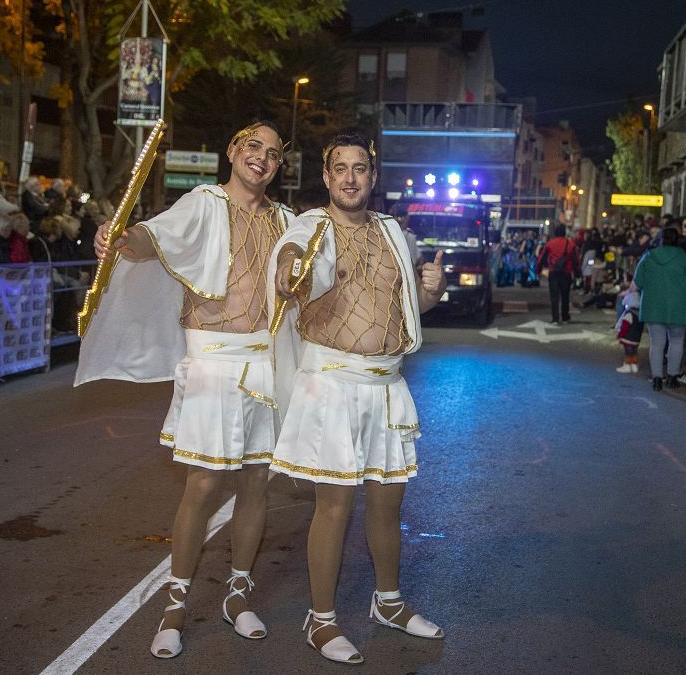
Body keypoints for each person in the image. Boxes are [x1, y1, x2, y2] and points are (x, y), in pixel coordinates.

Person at [77, 120, 294, 659]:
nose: (261, 159)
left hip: (265, 366)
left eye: (272, 153)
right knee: (202, 485)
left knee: (255, 484)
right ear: (232, 150)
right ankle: (175, 606)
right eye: (252, 147)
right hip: (213, 363)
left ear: (279, 167)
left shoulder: (288, 221)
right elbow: (154, 235)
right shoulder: (201, 203)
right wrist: (119, 237)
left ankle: (238, 597)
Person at [269, 130, 446, 666]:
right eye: (339, 168)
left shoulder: (395, 233)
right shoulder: (310, 228)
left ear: (373, 176)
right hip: (333, 384)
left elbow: (408, 309)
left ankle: (387, 603)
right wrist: (288, 269)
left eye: (360, 168)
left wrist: (432, 292)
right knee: (335, 505)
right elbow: (291, 265)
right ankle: (320, 620)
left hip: (388, 384)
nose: (350, 177)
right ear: (325, 177)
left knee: (389, 503)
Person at [633, 226, 686, 391]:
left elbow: (638, 280)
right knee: (676, 342)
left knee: (657, 344)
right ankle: (673, 376)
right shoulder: (683, 257)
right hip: (677, 306)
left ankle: (657, 378)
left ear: (660, 239)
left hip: (654, 306)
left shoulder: (648, 256)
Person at [536, 223, 578, 324]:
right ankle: (565, 317)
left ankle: (555, 318)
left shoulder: (550, 243)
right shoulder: (570, 244)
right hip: (566, 273)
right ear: (564, 233)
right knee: (565, 296)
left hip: (554, 272)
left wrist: (538, 269)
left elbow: (542, 258)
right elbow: (575, 260)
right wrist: (576, 273)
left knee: (554, 296)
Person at [615, 287, 642, 374]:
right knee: (635, 352)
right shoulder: (639, 315)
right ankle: (634, 365)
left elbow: (625, 326)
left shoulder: (629, 314)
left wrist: (620, 335)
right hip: (636, 339)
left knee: (628, 353)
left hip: (628, 338)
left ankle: (627, 365)